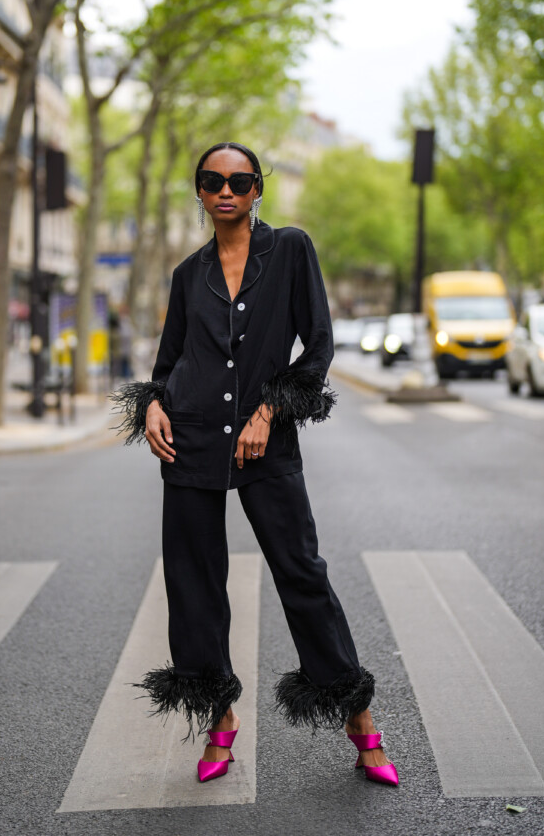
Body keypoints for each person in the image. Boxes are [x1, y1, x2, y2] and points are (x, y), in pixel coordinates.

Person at [112, 142, 398, 787]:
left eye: (239, 181)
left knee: (302, 572)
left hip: (265, 441)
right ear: (199, 189)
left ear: (256, 189)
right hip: (189, 440)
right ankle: (220, 718)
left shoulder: (290, 249)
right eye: (213, 180)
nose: (226, 191)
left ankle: (358, 718)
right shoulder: (188, 274)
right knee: (194, 583)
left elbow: (317, 346)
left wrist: (268, 411)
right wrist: (152, 406)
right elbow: (168, 363)